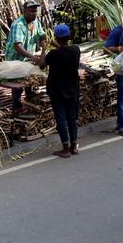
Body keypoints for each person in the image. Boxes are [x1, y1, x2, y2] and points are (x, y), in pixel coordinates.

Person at [42, 24, 81, 158]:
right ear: (69, 37)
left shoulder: (53, 54)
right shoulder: (76, 50)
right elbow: (64, 50)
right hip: (72, 88)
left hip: (57, 89)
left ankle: (65, 148)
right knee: (72, 117)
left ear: (56, 38)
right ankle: (74, 146)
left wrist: (43, 48)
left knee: (61, 118)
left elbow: (42, 64)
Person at [5, 0, 46, 115]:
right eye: (31, 11)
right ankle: (16, 108)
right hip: (15, 60)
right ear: (24, 11)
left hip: (28, 59)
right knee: (18, 86)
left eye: (35, 10)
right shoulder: (18, 25)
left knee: (31, 82)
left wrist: (43, 42)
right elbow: (18, 47)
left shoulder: (36, 22)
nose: (34, 13)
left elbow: (41, 34)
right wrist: (33, 57)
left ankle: (30, 103)